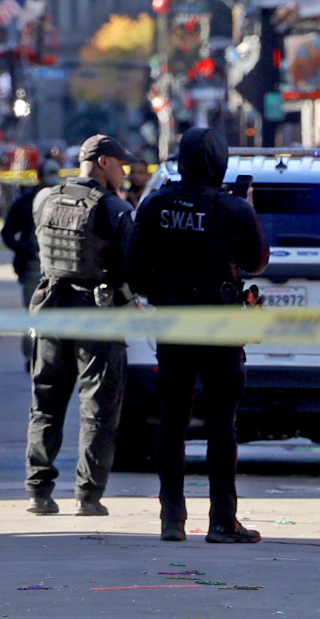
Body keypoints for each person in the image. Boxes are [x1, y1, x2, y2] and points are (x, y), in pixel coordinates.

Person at [130, 124, 269, 545]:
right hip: (221, 326)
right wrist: (247, 209)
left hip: (173, 324)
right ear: (219, 161)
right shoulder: (232, 209)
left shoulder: (154, 205)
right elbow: (257, 262)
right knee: (221, 424)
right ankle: (223, 523)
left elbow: (134, 271)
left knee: (173, 419)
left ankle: (171, 520)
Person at [22, 132, 134, 518]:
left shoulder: (44, 198)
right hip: (97, 314)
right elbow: (132, 266)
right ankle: (87, 497)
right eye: (122, 165)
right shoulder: (115, 210)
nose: (126, 172)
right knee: (98, 410)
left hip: (51, 308)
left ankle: (38, 493)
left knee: (46, 405)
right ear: (104, 163)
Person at [1, 155, 58, 295]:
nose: (50, 187)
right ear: (40, 178)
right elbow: (7, 232)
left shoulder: (63, 202)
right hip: (32, 267)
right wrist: (26, 251)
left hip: (57, 268)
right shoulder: (24, 205)